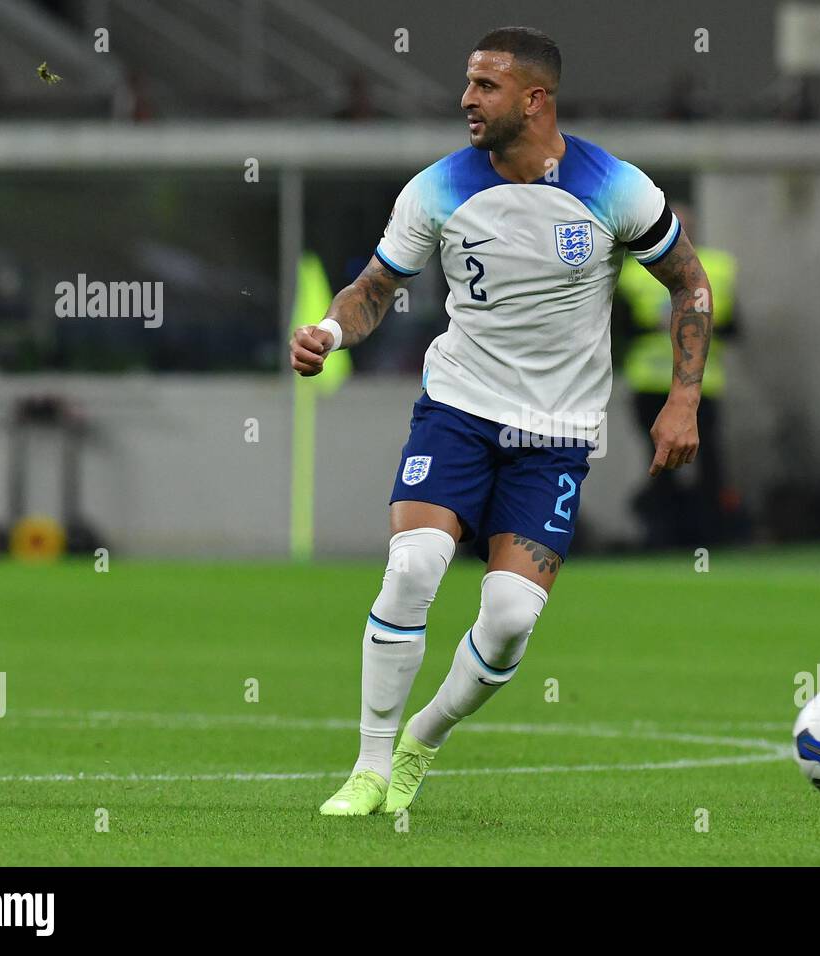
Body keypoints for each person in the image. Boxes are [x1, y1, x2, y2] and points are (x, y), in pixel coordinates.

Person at [288, 27, 711, 816]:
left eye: (485, 86)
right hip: (458, 411)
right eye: (468, 83)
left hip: (555, 435)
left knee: (511, 619)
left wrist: (682, 397)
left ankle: (424, 738)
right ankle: (370, 767)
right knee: (413, 568)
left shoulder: (616, 187)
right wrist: (330, 331)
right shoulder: (438, 188)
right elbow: (374, 287)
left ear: (533, 98)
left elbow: (689, 285)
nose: (466, 100)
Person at [618, 202, 739, 546]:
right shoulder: (632, 273)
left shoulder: (717, 268)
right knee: (657, 459)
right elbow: (618, 330)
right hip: (651, 382)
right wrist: (655, 327)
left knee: (709, 459)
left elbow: (735, 328)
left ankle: (711, 535)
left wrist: (699, 323)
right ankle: (664, 535)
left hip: (702, 385)